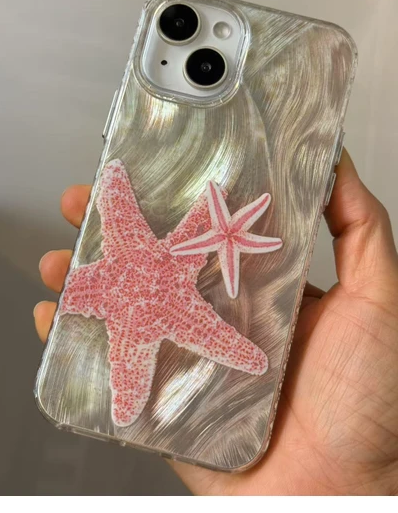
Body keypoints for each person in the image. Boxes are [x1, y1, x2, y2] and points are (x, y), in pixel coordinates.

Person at [34, 150, 398, 495]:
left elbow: (120, 191)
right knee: (129, 394)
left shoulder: (138, 269)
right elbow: (119, 196)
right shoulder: (156, 277)